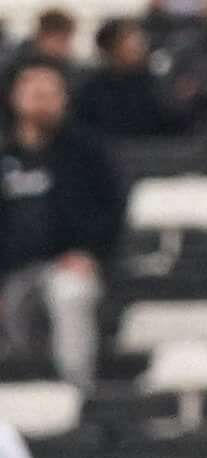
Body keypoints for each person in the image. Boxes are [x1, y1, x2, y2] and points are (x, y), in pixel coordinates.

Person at [0, 58, 118, 391]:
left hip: (67, 266)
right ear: (15, 97)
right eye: (33, 91)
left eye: (49, 92)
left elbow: (112, 210)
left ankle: (76, 391)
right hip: (13, 273)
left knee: (69, 293)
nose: (41, 99)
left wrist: (91, 253)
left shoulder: (87, 152)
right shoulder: (5, 154)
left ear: (64, 98)